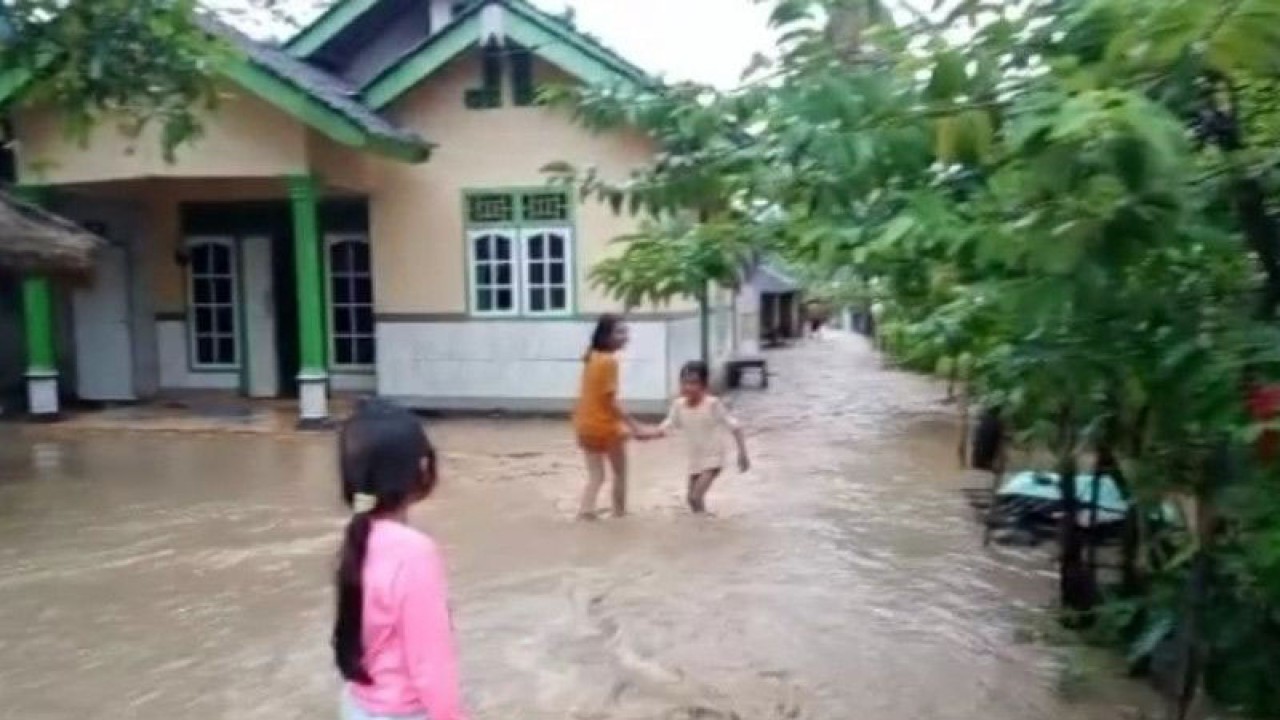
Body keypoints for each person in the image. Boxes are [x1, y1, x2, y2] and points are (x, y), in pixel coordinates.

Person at [333, 399, 467, 720]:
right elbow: (431, 664)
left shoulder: (359, 537)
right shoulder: (415, 553)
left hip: (357, 705)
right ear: (422, 469)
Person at [572, 314, 652, 520]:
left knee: (596, 476)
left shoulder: (591, 356)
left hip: (584, 425)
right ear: (606, 336)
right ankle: (619, 515)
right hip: (605, 427)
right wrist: (635, 427)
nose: (626, 336)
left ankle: (586, 511)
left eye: (626, 331)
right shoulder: (609, 362)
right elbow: (611, 401)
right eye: (620, 332)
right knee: (620, 473)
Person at [657, 361, 751, 514]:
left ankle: (704, 530)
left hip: (713, 459)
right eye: (685, 382)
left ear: (704, 385)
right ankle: (705, 526)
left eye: (694, 383)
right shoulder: (678, 405)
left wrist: (743, 454)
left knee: (696, 497)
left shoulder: (712, 404)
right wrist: (645, 433)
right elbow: (668, 425)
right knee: (690, 499)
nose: (688, 387)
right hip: (695, 460)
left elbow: (736, 427)